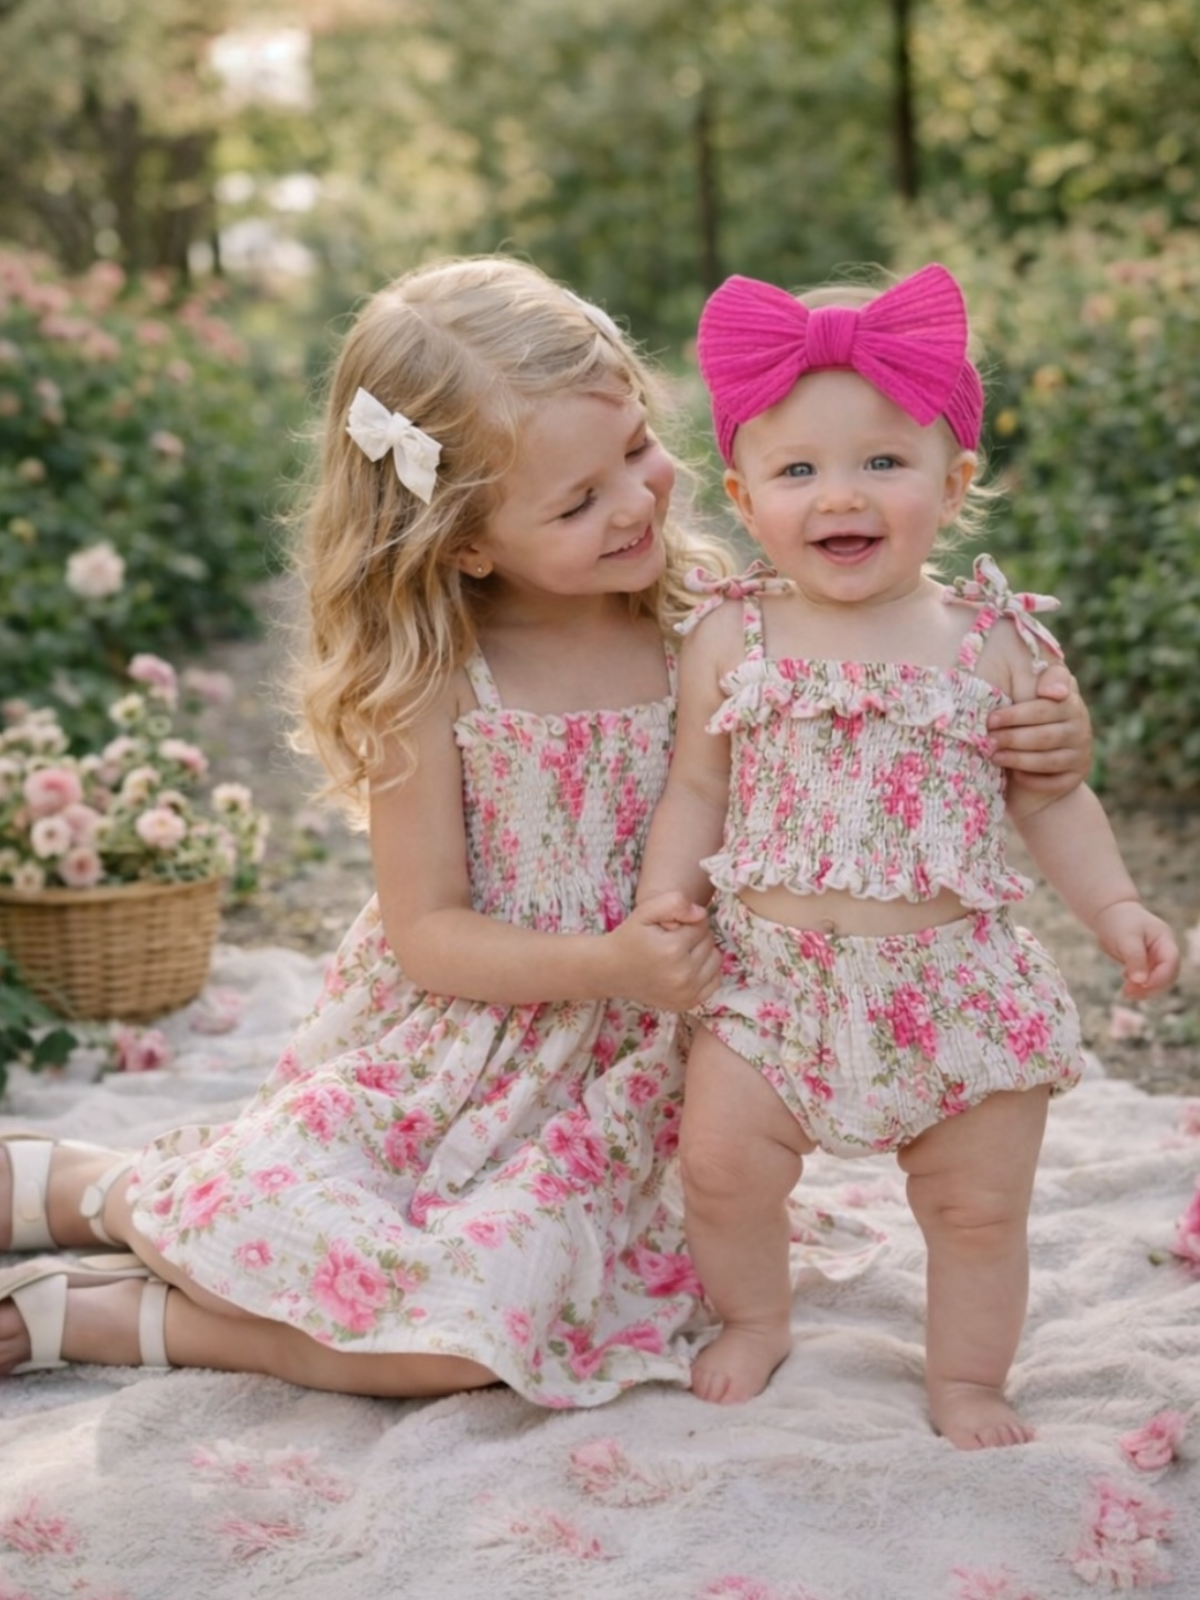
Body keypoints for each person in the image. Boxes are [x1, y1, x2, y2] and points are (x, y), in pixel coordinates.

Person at [0, 256, 1094, 1406]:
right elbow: (429, 937)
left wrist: (1048, 748)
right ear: (466, 541)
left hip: (637, 1087)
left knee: (474, 1338)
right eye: (576, 501)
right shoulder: (436, 682)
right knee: (301, 1235)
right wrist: (606, 962)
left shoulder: (719, 623)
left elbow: (902, 713)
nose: (633, 502)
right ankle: (94, 1195)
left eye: (634, 448)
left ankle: (111, 1301)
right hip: (460, 1060)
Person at [636, 262, 1181, 1444]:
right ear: (741, 493)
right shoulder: (732, 631)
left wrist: (1118, 907)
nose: (844, 494)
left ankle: (967, 1377)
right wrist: (663, 897)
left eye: (884, 461)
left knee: (976, 1206)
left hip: (952, 991)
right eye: (800, 470)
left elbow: (1052, 799)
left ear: (956, 478)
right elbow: (694, 785)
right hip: (772, 985)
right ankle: (757, 1315)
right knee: (725, 1169)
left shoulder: (994, 640)